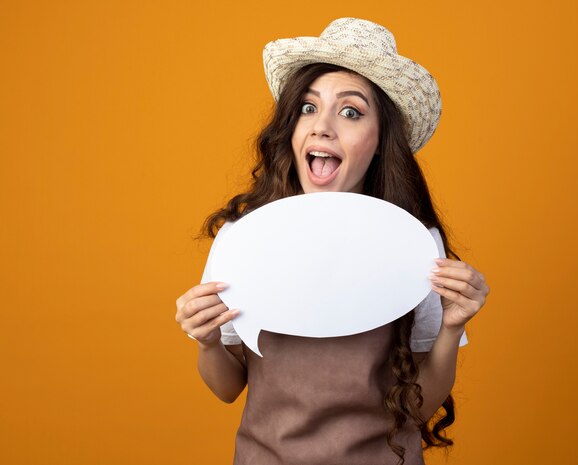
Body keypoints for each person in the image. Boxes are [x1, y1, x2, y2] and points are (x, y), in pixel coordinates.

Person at [175, 18, 490, 465]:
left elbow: (419, 406)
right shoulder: (243, 239)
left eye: (350, 112)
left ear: (381, 140)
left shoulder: (415, 246)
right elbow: (228, 388)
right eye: (307, 107)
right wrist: (206, 342)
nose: (322, 127)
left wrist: (452, 327)